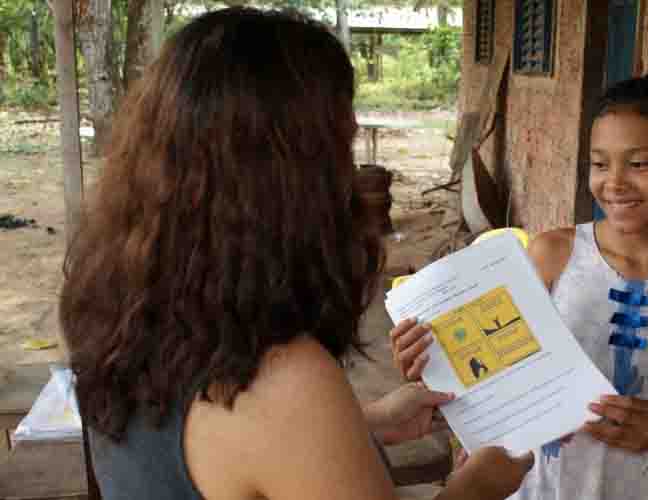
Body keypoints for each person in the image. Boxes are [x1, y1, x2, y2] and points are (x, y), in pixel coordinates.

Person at [60, 7, 533, 500]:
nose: (351, 181)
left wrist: (359, 425)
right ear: (290, 185)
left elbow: (223, 452)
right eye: (341, 151)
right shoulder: (284, 378)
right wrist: (475, 488)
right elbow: (264, 428)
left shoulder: (116, 314)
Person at [390, 64, 648, 500]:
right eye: (599, 163)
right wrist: (435, 363)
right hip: (536, 483)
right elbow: (497, 374)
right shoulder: (554, 254)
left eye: (639, 164)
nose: (613, 182)